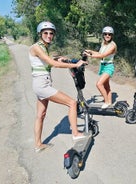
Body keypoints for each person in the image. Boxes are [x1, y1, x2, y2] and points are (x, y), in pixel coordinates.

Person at [29, 21, 86, 153]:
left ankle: (38, 144)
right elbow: (52, 63)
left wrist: (60, 58)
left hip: (41, 84)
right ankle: (76, 134)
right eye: (46, 33)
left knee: (40, 115)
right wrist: (75, 65)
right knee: (72, 103)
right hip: (42, 85)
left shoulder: (43, 47)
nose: (49, 35)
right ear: (40, 34)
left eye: (51, 33)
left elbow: (48, 59)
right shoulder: (36, 47)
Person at [84, 26, 117, 109]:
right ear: (103, 35)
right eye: (105, 34)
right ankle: (109, 102)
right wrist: (91, 51)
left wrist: (90, 55)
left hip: (109, 67)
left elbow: (103, 55)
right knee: (106, 86)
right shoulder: (104, 44)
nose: (107, 36)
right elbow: (99, 53)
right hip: (103, 66)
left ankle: (106, 101)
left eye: (109, 34)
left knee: (99, 84)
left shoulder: (112, 46)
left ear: (112, 35)